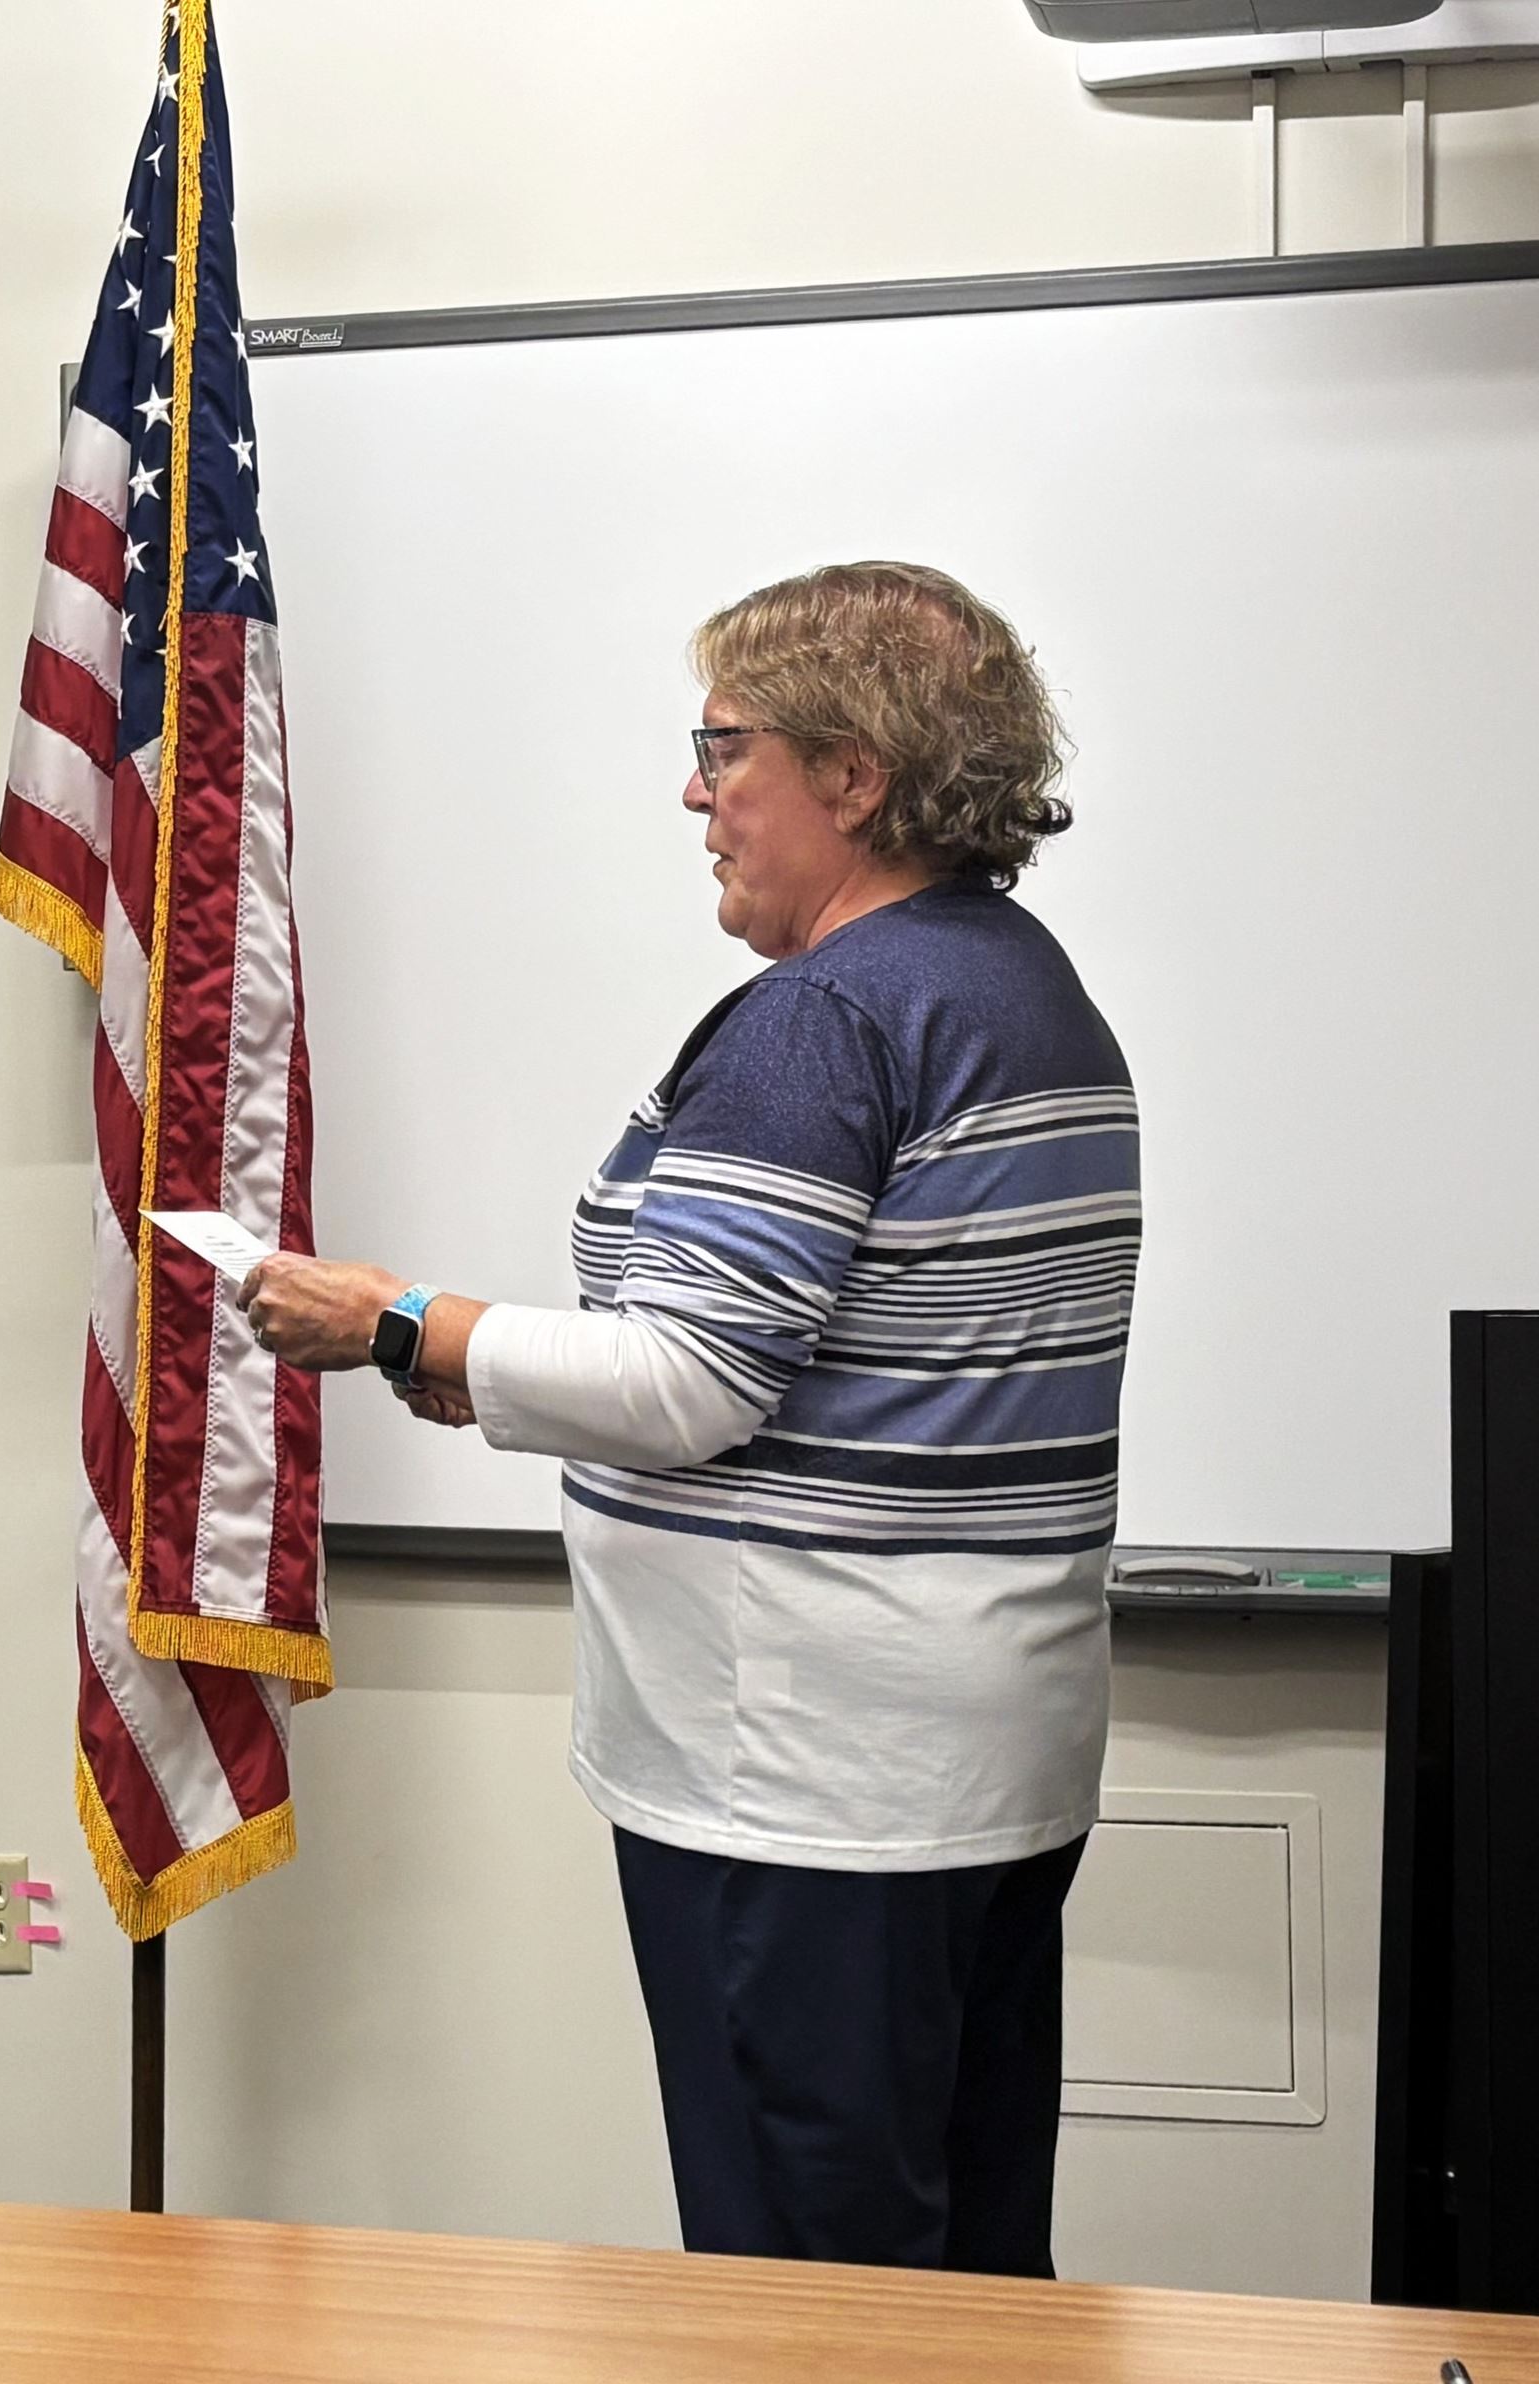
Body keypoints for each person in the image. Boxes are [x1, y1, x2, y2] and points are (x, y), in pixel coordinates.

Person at [244, 562, 1141, 2276]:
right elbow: (850, 1362)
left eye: (725, 746)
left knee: (807, 2289)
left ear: (854, 776)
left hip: (808, 1780)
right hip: (979, 1754)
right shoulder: (1022, 981)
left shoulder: (828, 1017)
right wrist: (479, 1373)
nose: (695, 790)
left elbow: (691, 1383)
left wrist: (402, 1321)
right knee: (962, 2274)